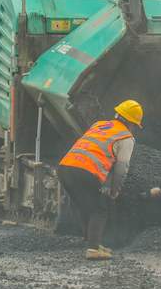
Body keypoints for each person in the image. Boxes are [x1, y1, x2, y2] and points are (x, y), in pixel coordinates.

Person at [57, 100, 141, 260]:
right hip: (85, 172)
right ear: (131, 123)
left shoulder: (99, 125)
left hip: (65, 167)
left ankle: (91, 243)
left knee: (84, 206)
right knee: (99, 211)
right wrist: (114, 190)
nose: (134, 128)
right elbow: (121, 168)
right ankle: (93, 250)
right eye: (135, 125)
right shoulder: (126, 138)